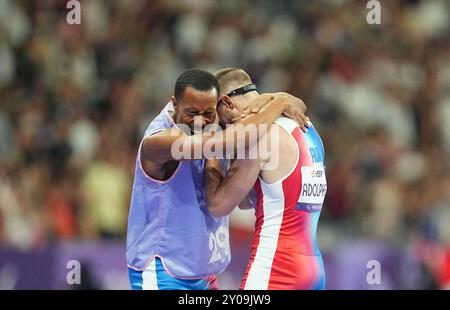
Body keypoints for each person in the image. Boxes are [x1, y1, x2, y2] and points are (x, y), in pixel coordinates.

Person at [126, 69, 309, 290]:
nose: (199, 121)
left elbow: (241, 199)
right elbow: (234, 140)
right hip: (164, 272)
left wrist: (286, 99)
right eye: (191, 112)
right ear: (175, 104)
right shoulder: (160, 142)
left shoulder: (215, 125)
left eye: (208, 113)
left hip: (205, 273)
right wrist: (280, 101)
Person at [205, 68, 326, 290]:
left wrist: (211, 149)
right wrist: (281, 100)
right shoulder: (305, 125)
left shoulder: (260, 136)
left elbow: (219, 204)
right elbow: (245, 200)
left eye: (220, 122)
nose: (226, 130)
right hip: (313, 269)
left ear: (227, 103)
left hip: (277, 268)